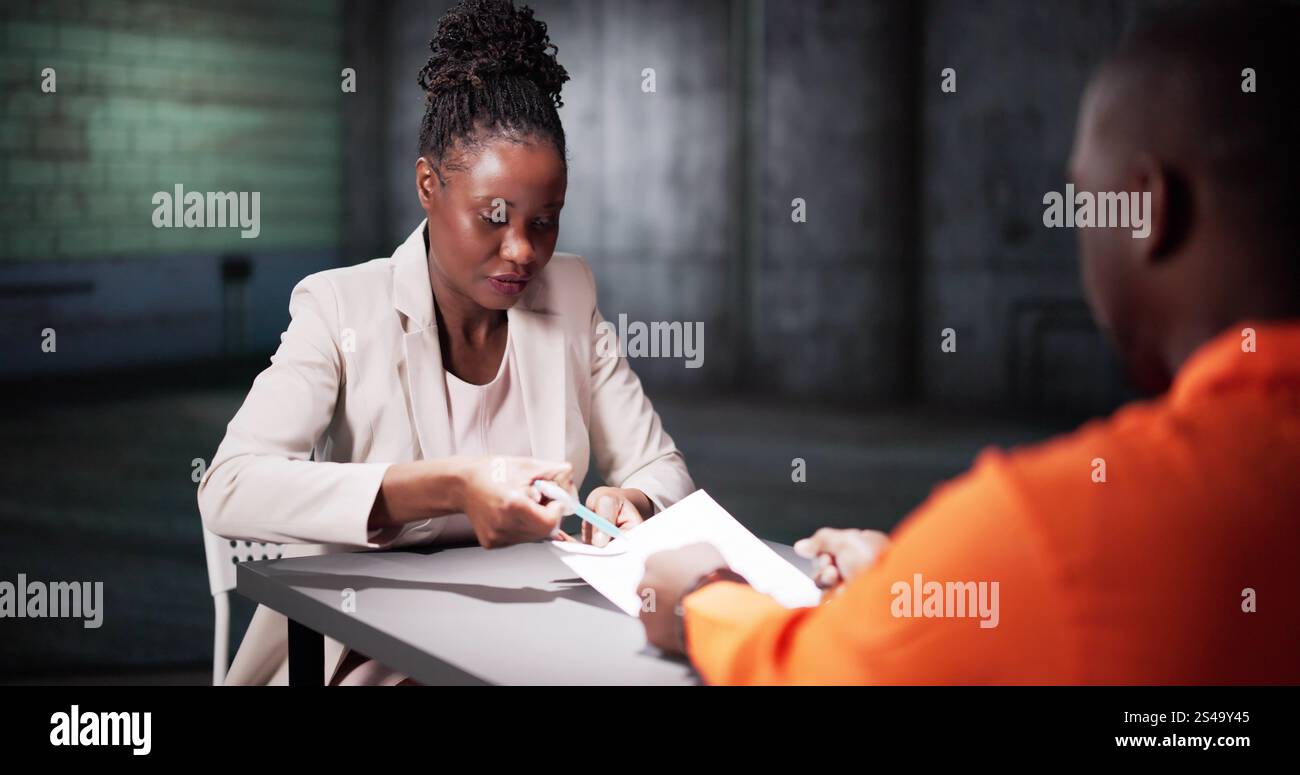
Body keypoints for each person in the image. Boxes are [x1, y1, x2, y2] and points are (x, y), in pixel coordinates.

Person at [639, 0, 1300, 684]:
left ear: (1146, 208)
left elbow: (807, 671)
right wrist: (927, 586)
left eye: (1083, 199)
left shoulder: (1056, 528)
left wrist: (700, 599)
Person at [198, 0, 694, 685]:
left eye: (545, 221)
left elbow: (661, 467)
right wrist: (449, 486)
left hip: (535, 640)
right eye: (494, 216)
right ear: (429, 185)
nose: (523, 250)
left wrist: (630, 502)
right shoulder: (341, 305)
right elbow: (228, 487)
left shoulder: (570, 293)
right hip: (371, 647)